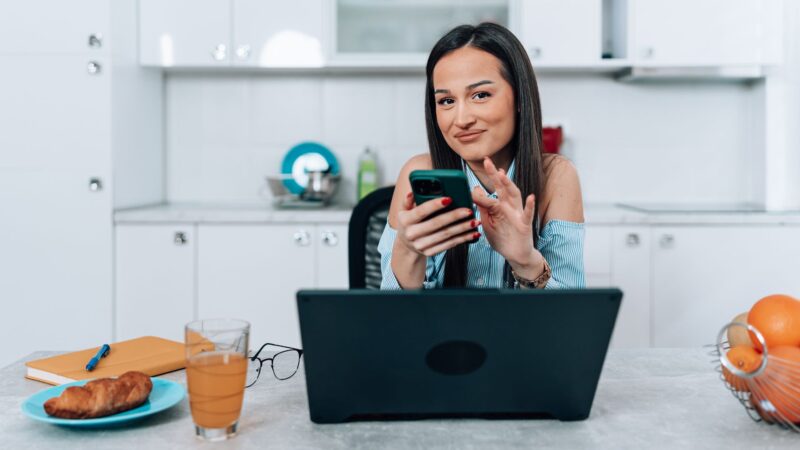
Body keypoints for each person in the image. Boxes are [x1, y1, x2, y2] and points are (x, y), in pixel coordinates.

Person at [378, 22, 585, 290]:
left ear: (520, 98)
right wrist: (407, 251)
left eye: (480, 95)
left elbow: (569, 322)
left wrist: (526, 262)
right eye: (446, 101)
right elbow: (392, 323)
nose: (461, 119)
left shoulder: (556, 177)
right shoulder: (417, 172)